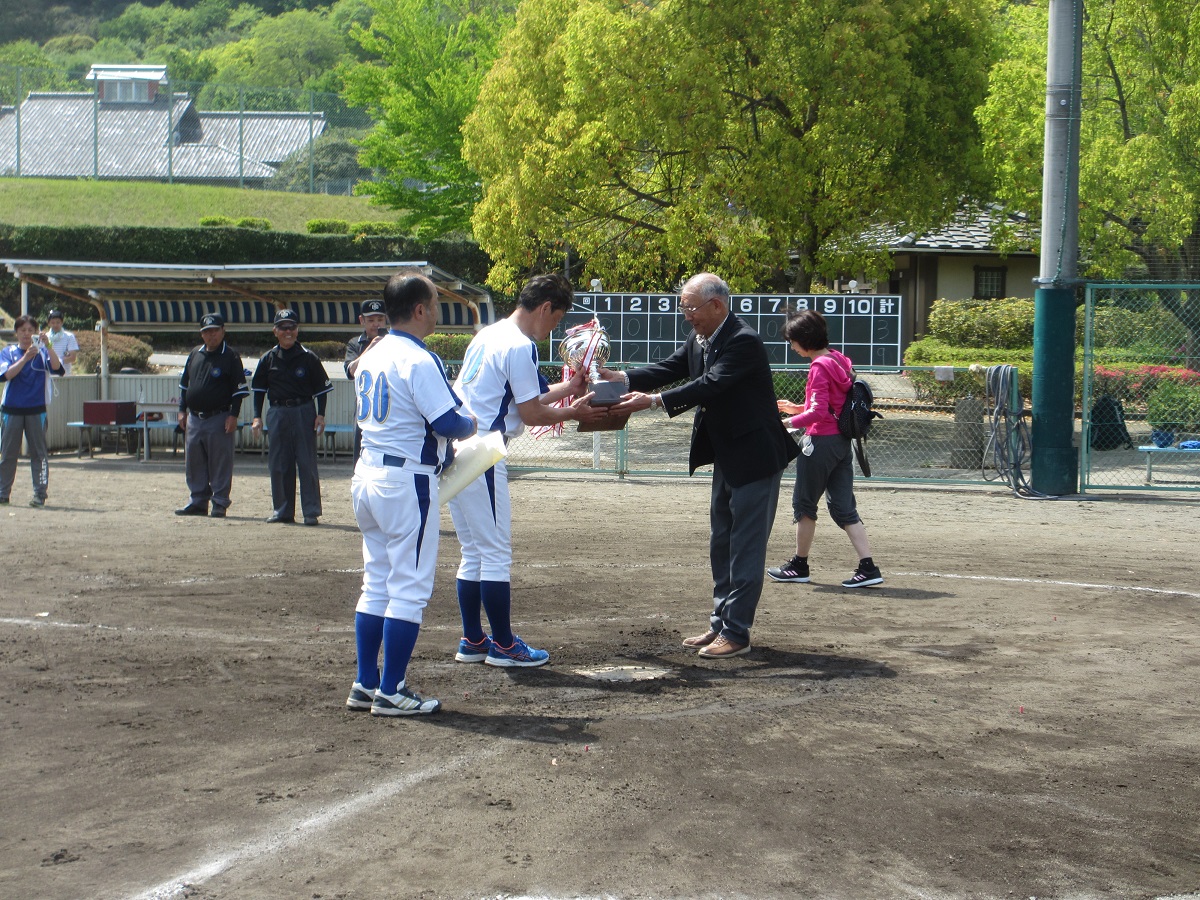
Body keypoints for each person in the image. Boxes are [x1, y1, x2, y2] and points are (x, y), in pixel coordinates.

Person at [601, 273, 799, 659]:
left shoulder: (743, 341)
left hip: (756, 458)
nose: (687, 317)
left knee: (745, 545)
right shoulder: (701, 336)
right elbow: (671, 366)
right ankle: (719, 624)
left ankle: (737, 633)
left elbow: (710, 384)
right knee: (721, 541)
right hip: (727, 455)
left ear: (717, 306)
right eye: (684, 309)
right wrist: (621, 378)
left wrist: (655, 402)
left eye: (691, 309)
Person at [448, 273, 608, 668]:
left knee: (474, 551)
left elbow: (526, 398)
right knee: (496, 552)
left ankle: (473, 639)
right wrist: (574, 412)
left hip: (458, 448)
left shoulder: (489, 335)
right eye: (554, 320)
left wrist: (570, 389)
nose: (552, 328)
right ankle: (503, 645)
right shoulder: (519, 345)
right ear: (544, 308)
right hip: (483, 450)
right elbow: (531, 412)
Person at [345, 273, 477, 716]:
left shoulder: (373, 350)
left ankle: (366, 683)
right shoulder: (419, 359)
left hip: (367, 473)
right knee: (408, 589)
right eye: (434, 304)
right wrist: (471, 422)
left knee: (376, 582)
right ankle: (392, 689)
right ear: (419, 309)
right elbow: (448, 422)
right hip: (405, 481)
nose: (437, 311)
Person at [769, 309, 883, 588]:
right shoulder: (838, 359)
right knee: (845, 508)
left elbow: (819, 414)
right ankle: (868, 567)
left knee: (805, 506)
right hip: (842, 443)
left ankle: (799, 566)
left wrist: (785, 423)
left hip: (820, 443)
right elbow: (830, 405)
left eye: (793, 341)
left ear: (804, 339)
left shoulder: (819, 366)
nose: (792, 346)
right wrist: (796, 408)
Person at [250, 309, 334, 526]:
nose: (288, 331)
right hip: (277, 412)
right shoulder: (267, 359)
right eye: (283, 327)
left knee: (306, 462)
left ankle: (311, 511)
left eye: (292, 327)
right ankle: (283, 510)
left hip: (303, 411)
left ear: (297, 330)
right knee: (279, 463)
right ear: (275, 331)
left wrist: (320, 415)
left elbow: (321, 390)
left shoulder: (308, 357)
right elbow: (259, 391)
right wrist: (256, 417)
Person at [175, 313, 248, 518]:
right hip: (195, 418)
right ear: (201, 334)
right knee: (194, 462)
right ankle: (197, 501)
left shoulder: (231, 356)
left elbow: (239, 390)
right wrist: (182, 410)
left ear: (223, 331)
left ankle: (219, 502)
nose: (211, 335)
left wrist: (233, 415)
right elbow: (184, 386)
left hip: (219, 417)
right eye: (207, 331)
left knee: (220, 462)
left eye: (215, 330)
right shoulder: (195, 354)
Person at [0, 315, 65, 507]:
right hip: (12, 409)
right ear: (17, 333)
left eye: (30, 330)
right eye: (22, 330)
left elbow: (57, 369)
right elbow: (5, 375)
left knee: (39, 454)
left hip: (36, 409)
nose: (27, 334)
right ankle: (3, 493)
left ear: (36, 332)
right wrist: (25, 358)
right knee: (8, 453)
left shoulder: (43, 352)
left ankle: (39, 494)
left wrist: (49, 345)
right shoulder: (8, 352)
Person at [345, 298, 389, 461]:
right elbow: (350, 371)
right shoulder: (355, 344)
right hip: (364, 406)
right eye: (371, 320)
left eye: (380, 319)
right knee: (360, 453)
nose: (376, 324)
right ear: (361, 320)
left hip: (389, 405)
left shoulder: (395, 342)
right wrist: (372, 348)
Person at [44, 310, 79, 376]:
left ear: (62, 323)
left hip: (64, 375)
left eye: (58, 322)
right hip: (48, 376)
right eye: (53, 323)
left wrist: (58, 362)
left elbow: (73, 357)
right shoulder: (45, 337)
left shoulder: (69, 336)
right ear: (49, 323)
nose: (55, 325)